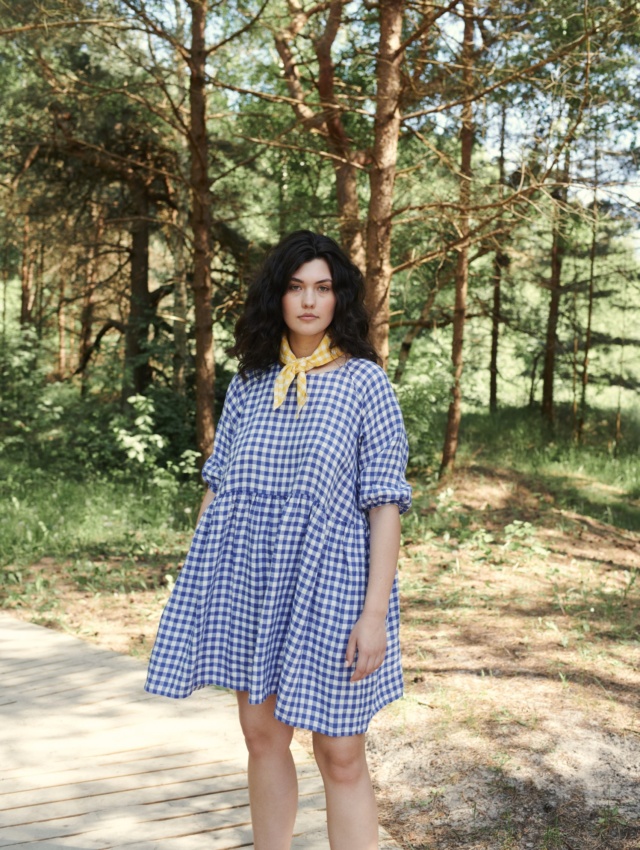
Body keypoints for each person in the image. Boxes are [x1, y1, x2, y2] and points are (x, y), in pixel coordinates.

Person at [145, 230, 411, 850]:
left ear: (340, 299)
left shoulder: (365, 384)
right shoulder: (247, 385)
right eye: (296, 287)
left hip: (333, 584)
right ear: (279, 298)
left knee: (339, 752)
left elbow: (385, 506)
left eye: (323, 288)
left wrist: (374, 615)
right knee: (261, 736)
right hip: (250, 580)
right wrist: (202, 585)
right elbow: (218, 490)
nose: (310, 301)